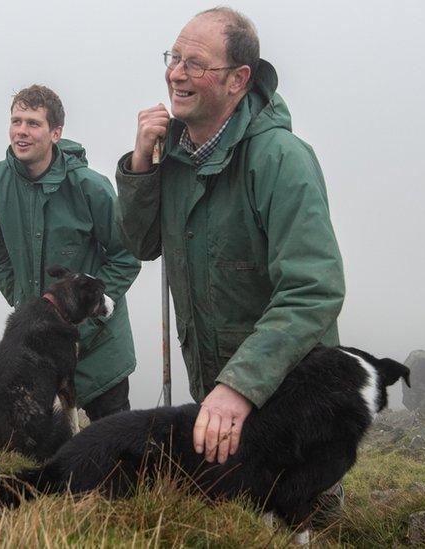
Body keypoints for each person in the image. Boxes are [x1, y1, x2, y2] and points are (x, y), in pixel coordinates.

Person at [116, 8, 346, 466]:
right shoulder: (174, 155)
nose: (175, 73)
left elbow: (313, 289)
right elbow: (142, 245)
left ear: (238, 79)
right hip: (217, 397)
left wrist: (240, 384)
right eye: (174, 57)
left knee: (302, 521)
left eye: (194, 64)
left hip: (291, 398)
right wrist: (141, 166)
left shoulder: (282, 159)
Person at [0, 84, 141, 421]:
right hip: (35, 345)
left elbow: (127, 255)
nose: (21, 131)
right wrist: (23, 300)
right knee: (39, 449)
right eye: (16, 120)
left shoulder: (90, 186)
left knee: (115, 448)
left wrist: (86, 311)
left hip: (99, 344)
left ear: (56, 133)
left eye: (33, 123)